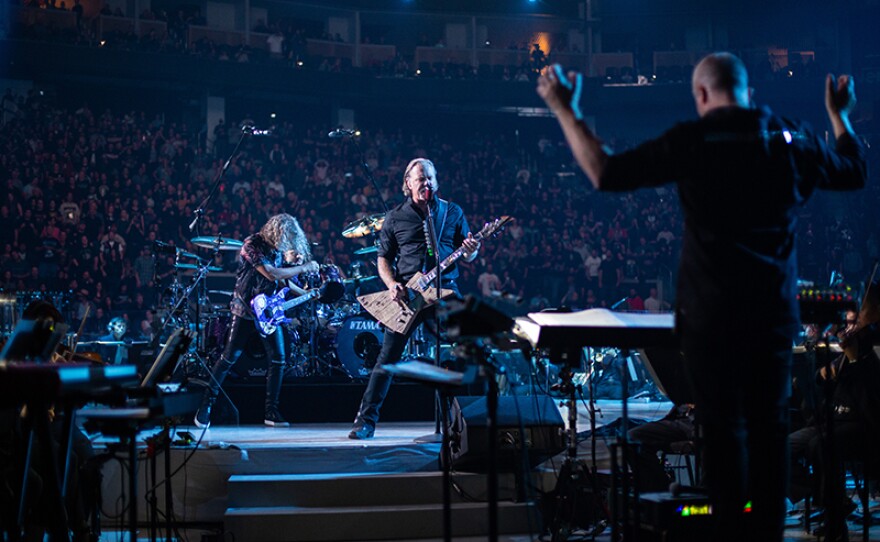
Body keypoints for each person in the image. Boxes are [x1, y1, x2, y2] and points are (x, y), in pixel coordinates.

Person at [537, 53, 867, 540]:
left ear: (701, 96)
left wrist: (566, 109)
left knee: (722, 446)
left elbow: (606, 173)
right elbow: (854, 171)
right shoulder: (789, 138)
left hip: (710, 324)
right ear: (748, 91)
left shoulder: (692, 141)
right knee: (769, 442)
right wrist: (839, 116)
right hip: (771, 321)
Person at [348, 158, 480, 439]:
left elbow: (468, 254)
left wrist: (471, 250)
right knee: (387, 357)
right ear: (408, 184)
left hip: (445, 289)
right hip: (407, 295)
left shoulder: (451, 211)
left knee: (472, 343)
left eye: (430, 178)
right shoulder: (395, 217)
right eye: (421, 179)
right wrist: (392, 283)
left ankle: (473, 417)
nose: (427, 183)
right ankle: (365, 421)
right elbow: (383, 258)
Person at [194, 214, 319, 428]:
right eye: (285, 236)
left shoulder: (278, 251)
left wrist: (306, 293)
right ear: (276, 231)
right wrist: (304, 267)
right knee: (228, 358)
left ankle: (271, 411)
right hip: (245, 309)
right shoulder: (252, 244)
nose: (286, 242)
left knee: (279, 358)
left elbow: (285, 281)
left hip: (269, 311)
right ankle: (205, 407)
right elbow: (270, 274)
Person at [789, 303, 880, 538]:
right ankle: (830, 499)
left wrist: (854, 359)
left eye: (853, 325)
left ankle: (833, 512)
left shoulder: (869, 362)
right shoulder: (838, 361)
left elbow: (870, 402)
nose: (846, 331)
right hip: (831, 421)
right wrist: (820, 375)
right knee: (783, 447)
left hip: (859, 427)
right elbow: (815, 391)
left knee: (820, 445)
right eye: (845, 324)